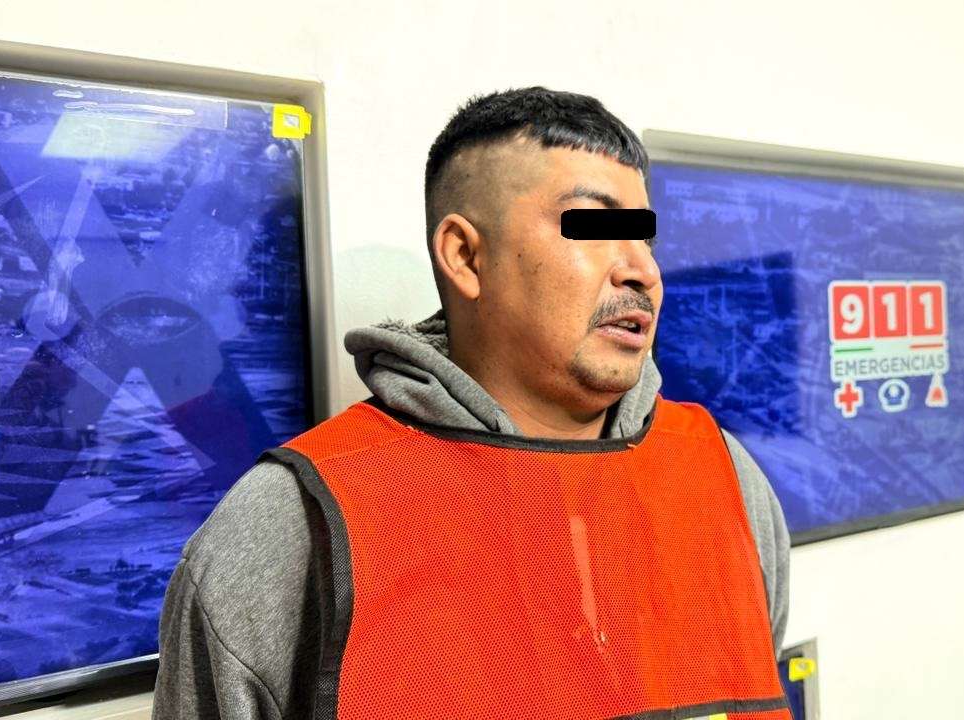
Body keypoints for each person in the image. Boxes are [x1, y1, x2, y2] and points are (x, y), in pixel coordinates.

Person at [153, 86, 792, 719]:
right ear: (465, 256)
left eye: (643, 237)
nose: (643, 271)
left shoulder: (726, 479)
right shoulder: (295, 524)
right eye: (593, 228)